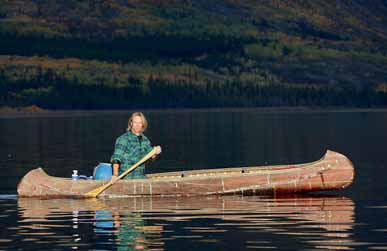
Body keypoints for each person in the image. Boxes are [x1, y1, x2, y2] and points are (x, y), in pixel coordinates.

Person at [110, 112, 161, 180]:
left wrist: (155, 152)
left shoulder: (145, 140)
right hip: (126, 178)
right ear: (131, 123)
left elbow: (151, 157)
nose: (137, 125)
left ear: (143, 124)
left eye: (140, 122)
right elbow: (116, 159)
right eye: (135, 122)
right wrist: (115, 175)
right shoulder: (124, 139)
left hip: (141, 177)